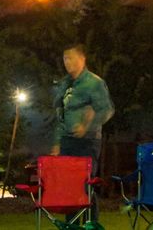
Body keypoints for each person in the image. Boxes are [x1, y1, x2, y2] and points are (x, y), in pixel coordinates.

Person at [51, 44, 113, 222]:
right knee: (70, 188)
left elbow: (106, 110)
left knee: (86, 184)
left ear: (82, 59)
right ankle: (72, 225)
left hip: (87, 142)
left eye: (71, 58)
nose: (67, 62)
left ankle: (90, 224)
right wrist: (57, 142)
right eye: (64, 58)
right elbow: (60, 113)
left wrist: (87, 126)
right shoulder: (65, 84)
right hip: (67, 142)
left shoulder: (94, 83)